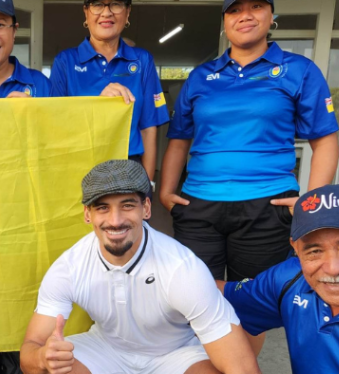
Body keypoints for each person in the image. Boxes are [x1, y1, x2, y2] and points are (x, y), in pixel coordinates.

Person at [160, 0, 339, 281]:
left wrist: (310, 201)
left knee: (252, 303)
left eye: (256, 6)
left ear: (271, 17)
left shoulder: (299, 70)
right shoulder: (201, 76)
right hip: (199, 204)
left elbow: (324, 141)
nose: (245, 15)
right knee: (202, 301)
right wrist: (165, 192)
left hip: (267, 204)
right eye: (235, 10)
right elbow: (179, 139)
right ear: (225, 22)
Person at [20, 160, 260, 374]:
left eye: (127, 205)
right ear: (87, 214)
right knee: (51, 368)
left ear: (146, 208)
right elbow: (29, 351)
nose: (115, 221)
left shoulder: (183, 269)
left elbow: (241, 367)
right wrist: (42, 357)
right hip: (105, 349)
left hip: (174, 354)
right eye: (102, 207)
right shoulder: (69, 267)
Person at [220, 184, 339, 373]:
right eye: (315, 251)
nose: (333, 268)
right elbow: (214, 293)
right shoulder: (290, 278)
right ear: (296, 249)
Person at [49, 0, 169, 185]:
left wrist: (148, 185)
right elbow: (56, 124)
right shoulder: (65, 61)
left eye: (116, 4)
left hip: (129, 168)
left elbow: (149, 126)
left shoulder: (142, 60)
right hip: (80, 165)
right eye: (97, 4)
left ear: (128, 12)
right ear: (86, 13)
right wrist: (99, 101)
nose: (106, 12)